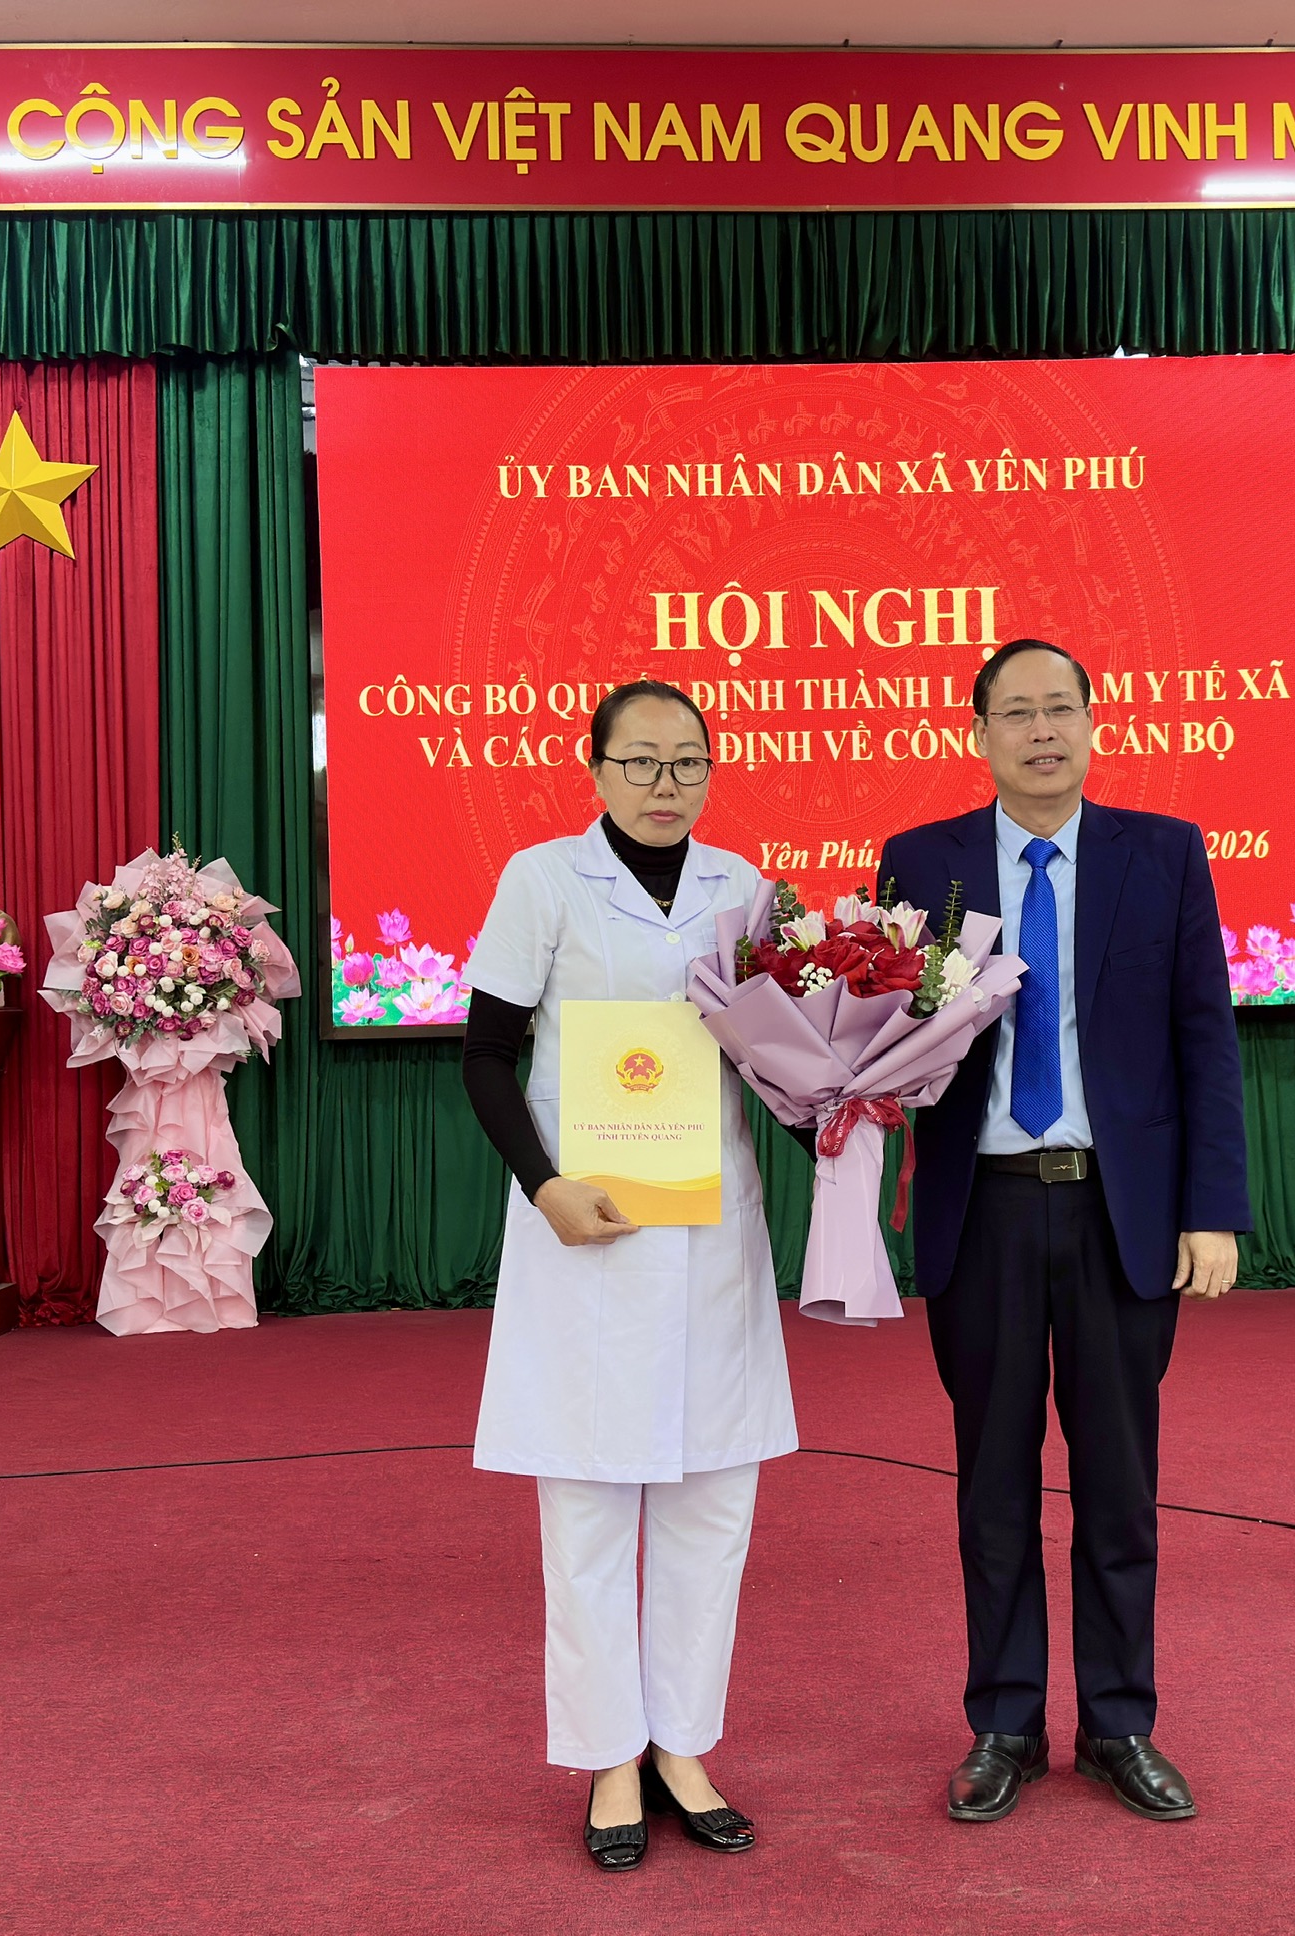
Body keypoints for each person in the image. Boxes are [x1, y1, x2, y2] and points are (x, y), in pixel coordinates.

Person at [874, 638, 1250, 1826]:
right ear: (977, 733)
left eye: (1060, 709)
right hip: (980, 1206)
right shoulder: (920, 861)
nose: (1042, 731)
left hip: (1116, 1210)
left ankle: (1118, 1722)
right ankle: (1004, 1722)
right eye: (1016, 713)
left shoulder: (1165, 852)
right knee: (991, 1484)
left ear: (1094, 723)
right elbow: (885, 1033)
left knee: (1118, 1485)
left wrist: (1211, 1208)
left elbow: (1205, 1037)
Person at [460, 679, 797, 1873]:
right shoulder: (541, 879)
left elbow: (775, 1052)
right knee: (590, 1506)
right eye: (642, 761)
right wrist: (543, 1183)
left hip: (709, 1230)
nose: (666, 783)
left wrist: (844, 1092)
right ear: (595, 767)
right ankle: (610, 1755)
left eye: (687, 761)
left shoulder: (745, 888)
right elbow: (487, 1054)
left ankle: (683, 1747)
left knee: (712, 1503)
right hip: (587, 1231)